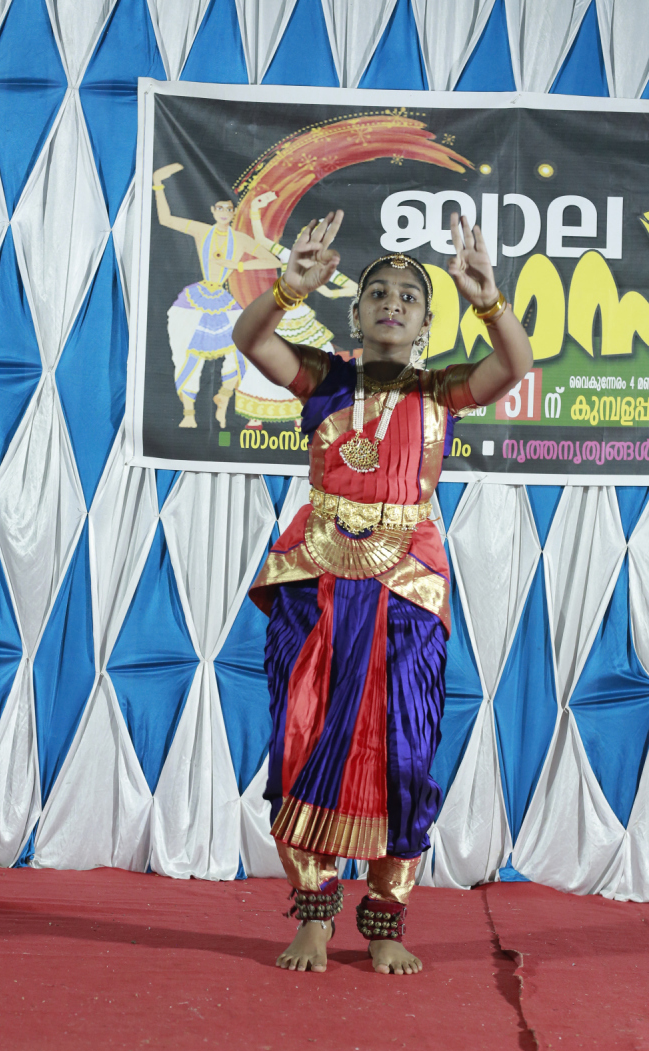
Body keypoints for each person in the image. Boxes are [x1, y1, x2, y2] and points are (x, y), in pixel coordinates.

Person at [233, 210, 532, 975]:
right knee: (305, 742)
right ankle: (313, 915)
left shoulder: (441, 390)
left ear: (427, 322)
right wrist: (285, 289)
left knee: (405, 749)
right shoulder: (325, 379)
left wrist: (489, 301)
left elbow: (515, 364)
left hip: (407, 585)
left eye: (409, 296)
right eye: (377, 293)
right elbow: (252, 341)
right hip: (316, 580)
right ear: (356, 313)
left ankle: (385, 919)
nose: (392, 303)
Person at [152, 164, 279, 429]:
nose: (223, 212)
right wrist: (158, 185)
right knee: (186, 350)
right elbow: (166, 219)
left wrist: (237, 266)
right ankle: (188, 412)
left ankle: (224, 396)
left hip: (222, 299)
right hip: (196, 298)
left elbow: (273, 260)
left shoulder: (240, 239)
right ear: (212, 211)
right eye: (219, 208)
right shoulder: (202, 230)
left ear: (233, 213)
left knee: (243, 346)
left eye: (228, 209)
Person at [234, 191, 357, 430]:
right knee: (267, 355)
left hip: (301, 317)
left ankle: (304, 411)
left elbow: (352, 287)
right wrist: (255, 210)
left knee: (312, 361)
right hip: (280, 313)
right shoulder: (289, 256)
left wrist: (326, 291)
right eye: (305, 236)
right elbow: (260, 238)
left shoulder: (325, 264)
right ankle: (257, 414)